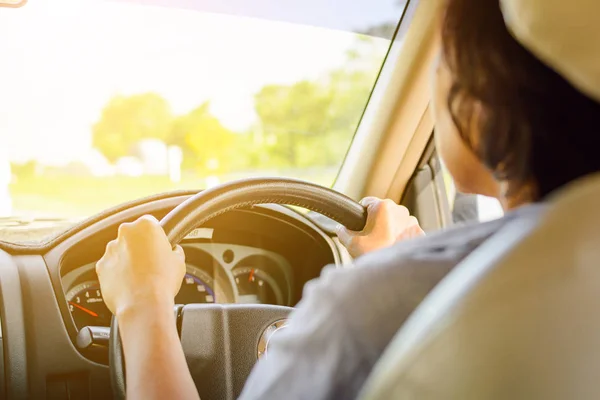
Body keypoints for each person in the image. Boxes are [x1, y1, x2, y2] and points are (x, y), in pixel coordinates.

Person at [95, 0, 600, 398]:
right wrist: (394, 271)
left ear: (479, 106)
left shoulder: (363, 313)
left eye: (443, 55)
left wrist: (143, 304)